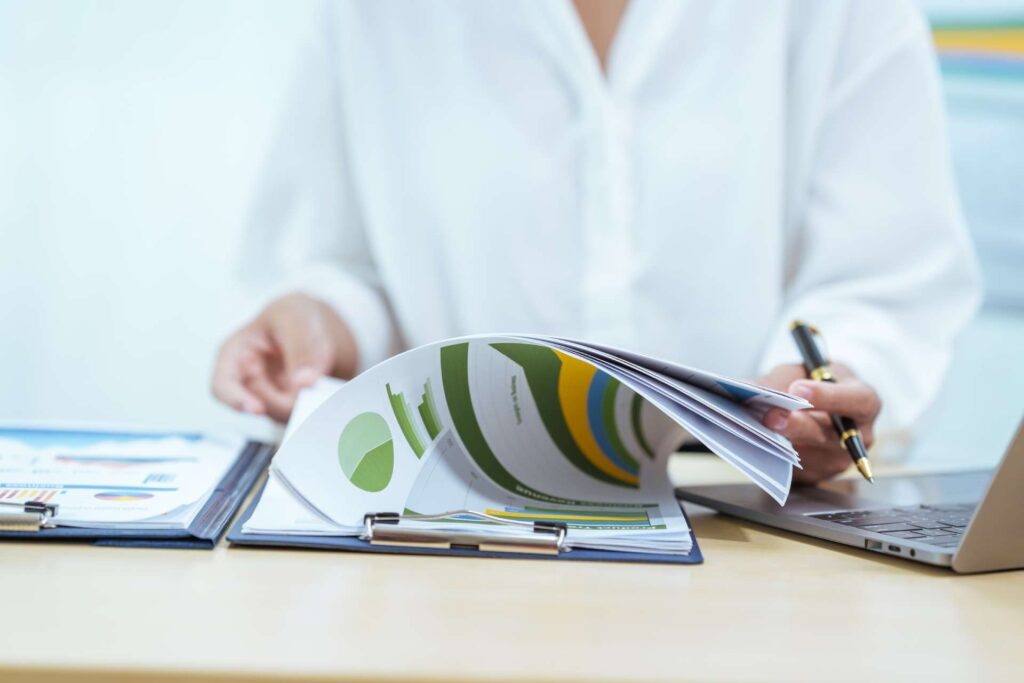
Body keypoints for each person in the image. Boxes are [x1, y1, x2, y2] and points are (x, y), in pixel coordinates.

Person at [212, 0, 979, 484]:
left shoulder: (845, 14)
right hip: (458, 508)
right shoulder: (372, 16)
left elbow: (885, 281)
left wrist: (821, 392)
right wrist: (322, 321)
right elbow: (349, 262)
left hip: (745, 512)